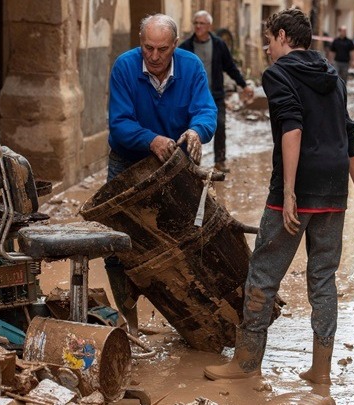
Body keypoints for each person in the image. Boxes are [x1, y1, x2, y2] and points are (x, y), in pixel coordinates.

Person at [203, 8, 354, 384]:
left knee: (263, 274)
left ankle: (246, 363)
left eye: (268, 40)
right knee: (324, 278)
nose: (266, 48)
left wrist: (290, 192)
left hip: (297, 187)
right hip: (334, 190)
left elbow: (292, 128)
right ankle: (321, 371)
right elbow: (349, 138)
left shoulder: (278, 74)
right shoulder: (333, 75)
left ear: (283, 36)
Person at [107, 13, 217, 335]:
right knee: (118, 246)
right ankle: (130, 327)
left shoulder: (192, 67)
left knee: (187, 240)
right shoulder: (125, 67)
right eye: (148, 48)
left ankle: (190, 321)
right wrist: (150, 139)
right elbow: (119, 123)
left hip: (176, 166)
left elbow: (207, 111)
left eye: (162, 49)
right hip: (127, 162)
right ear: (141, 43)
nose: (154, 57)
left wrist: (197, 130)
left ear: (175, 45)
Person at [179, 10, 254, 173]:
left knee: (219, 125)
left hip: (215, 95)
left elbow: (230, 67)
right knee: (190, 128)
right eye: (196, 23)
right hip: (192, 97)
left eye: (201, 23)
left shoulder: (219, 44)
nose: (198, 26)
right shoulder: (185, 47)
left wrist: (244, 85)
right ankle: (188, 162)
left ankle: (220, 160)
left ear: (209, 26)